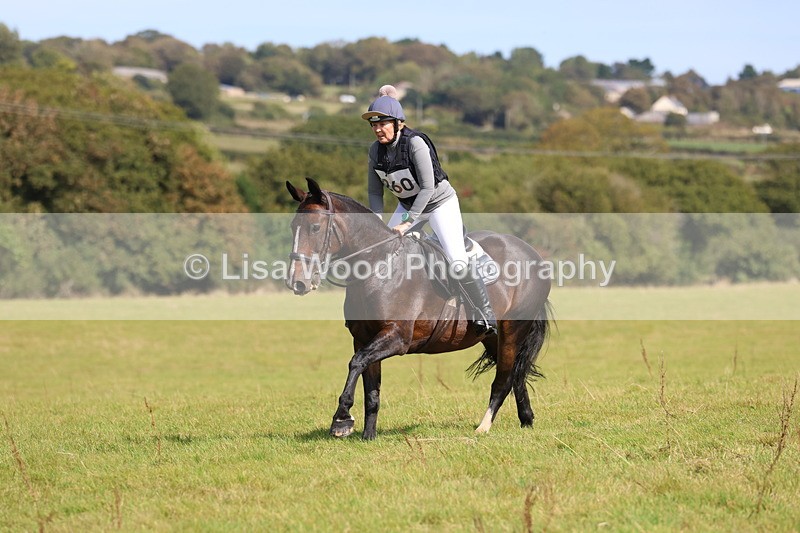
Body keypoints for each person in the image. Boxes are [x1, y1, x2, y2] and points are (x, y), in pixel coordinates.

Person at [362, 85, 497, 336]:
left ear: (398, 123)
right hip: (407, 206)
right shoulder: (375, 151)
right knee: (382, 251)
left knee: (456, 260)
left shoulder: (415, 144)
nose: (378, 129)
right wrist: (376, 222)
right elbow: (374, 193)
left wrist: (407, 223)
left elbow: (426, 187)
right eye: (374, 125)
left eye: (383, 124)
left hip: (438, 204)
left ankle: (485, 314)